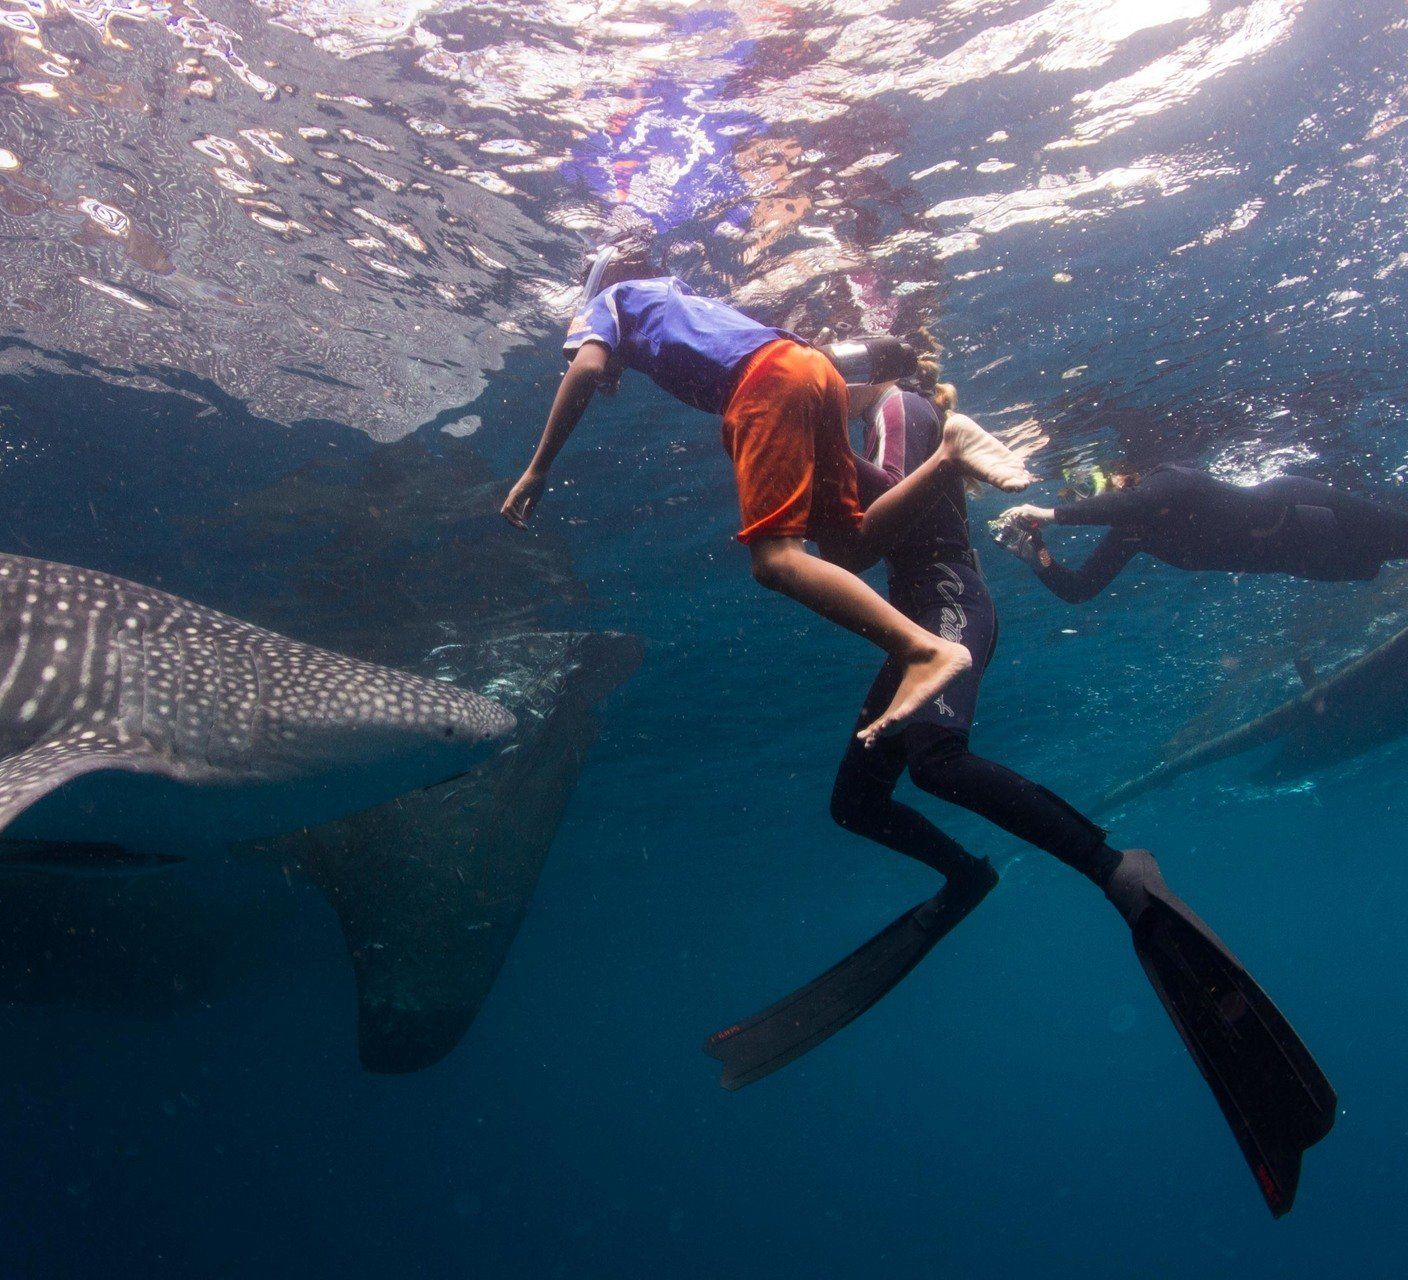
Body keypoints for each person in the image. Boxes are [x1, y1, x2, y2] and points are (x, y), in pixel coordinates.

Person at [702, 382, 1338, 1218]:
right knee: (856, 804)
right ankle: (966, 877)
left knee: (935, 761)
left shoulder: (897, 406)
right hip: (921, 615)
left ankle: (1115, 867)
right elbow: (868, 516)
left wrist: (801, 439)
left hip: (951, 601)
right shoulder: (880, 411)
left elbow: (874, 508)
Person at [501, 243, 1034, 743]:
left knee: (776, 562)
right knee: (847, 552)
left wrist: (537, 469)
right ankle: (949, 456)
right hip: (810, 371)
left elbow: (587, 368)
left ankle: (923, 651)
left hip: (764, 384)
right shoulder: (676, 298)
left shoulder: (608, 300)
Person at [995, 461, 1408, 602]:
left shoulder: (1172, 481)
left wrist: (1049, 513)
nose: (1090, 496)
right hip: (1317, 559)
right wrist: (1038, 554)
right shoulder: (1132, 534)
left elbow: (1135, 502)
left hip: (1324, 515)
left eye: (1093, 484)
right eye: (1081, 491)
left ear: (1123, 472)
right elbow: (1080, 588)